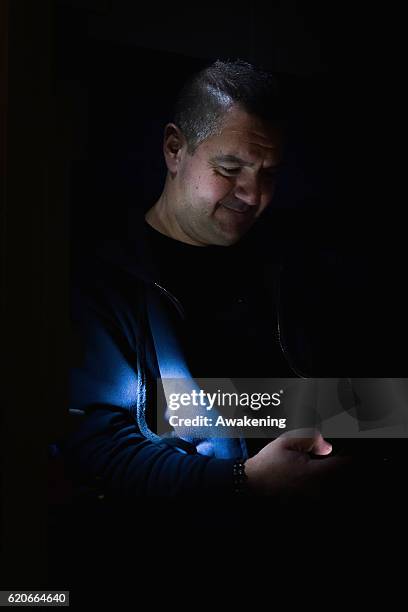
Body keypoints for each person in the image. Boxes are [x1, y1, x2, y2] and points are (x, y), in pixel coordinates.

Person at [60, 59, 348, 500]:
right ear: (175, 149)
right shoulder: (101, 280)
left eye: (267, 173)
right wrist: (243, 481)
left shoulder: (295, 264)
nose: (253, 195)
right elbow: (97, 448)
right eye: (230, 169)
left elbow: (357, 404)